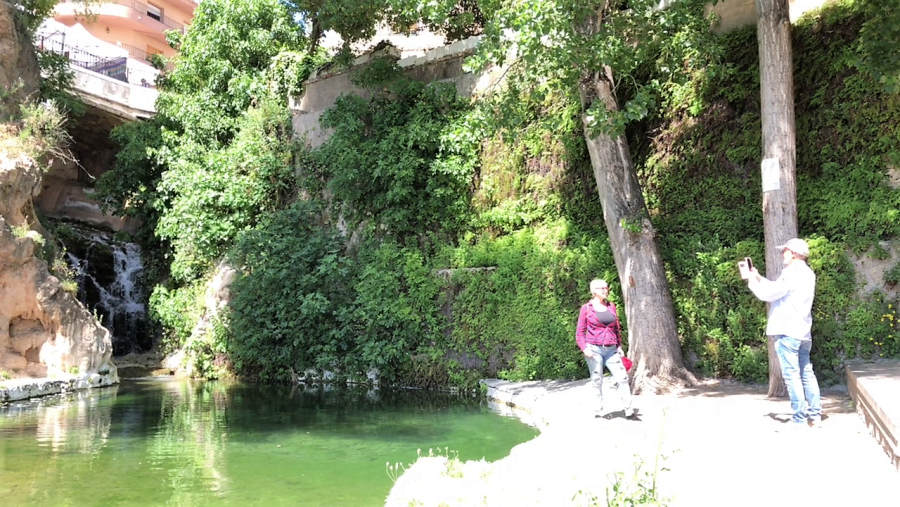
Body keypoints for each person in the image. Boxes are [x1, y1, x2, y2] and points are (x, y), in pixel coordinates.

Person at [745, 238, 822, 428]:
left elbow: (768, 295)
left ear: (793, 253)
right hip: (803, 331)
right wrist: (759, 277)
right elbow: (779, 289)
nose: (782, 254)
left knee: (792, 375)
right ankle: (815, 415)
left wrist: (752, 281)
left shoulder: (790, 273)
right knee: (806, 373)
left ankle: (799, 419)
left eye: (785, 251)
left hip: (787, 331)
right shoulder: (808, 273)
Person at [575, 279, 635, 419]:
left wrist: (619, 346)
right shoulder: (587, 308)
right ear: (594, 291)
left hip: (611, 349)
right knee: (597, 380)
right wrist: (584, 348)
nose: (605, 290)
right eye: (602, 288)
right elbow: (580, 332)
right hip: (594, 349)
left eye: (606, 288)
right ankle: (599, 410)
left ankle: (629, 409)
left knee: (622, 378)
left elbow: (616, 328)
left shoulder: (611, 307)